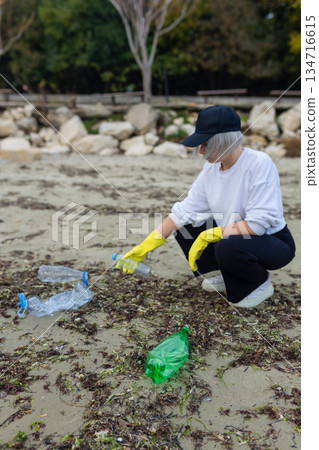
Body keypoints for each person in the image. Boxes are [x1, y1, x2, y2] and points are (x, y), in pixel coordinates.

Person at [118, 105, 296, 308]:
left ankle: (258, 281)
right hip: (234, 236)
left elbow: (258, 224)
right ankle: (224, 272)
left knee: (228, 247)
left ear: (225, 140)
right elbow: (183, 213)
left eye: (205, 144)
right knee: (185, 226)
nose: (201, 151)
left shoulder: (259, 163)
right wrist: (145, 247)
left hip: (272, 242)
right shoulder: (211, 168)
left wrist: (209, 235)